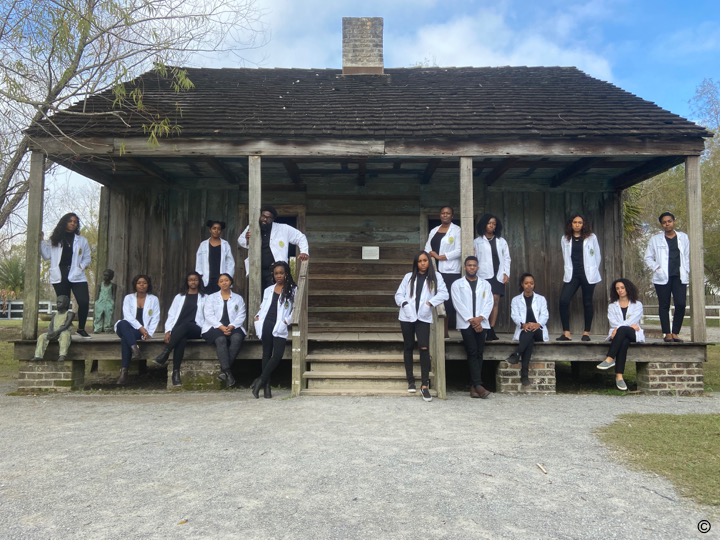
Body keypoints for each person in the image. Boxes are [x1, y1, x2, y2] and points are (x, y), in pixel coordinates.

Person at [394, 250, 449, 402]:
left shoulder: (436, 277)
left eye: (425, 260)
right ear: (416, 263)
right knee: (409, 346)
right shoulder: (408, 277)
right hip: (407, 316)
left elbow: (444, 293)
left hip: (423, 317)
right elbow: (398, 295)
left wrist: (430, 303)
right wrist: (404, 303)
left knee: (424, 348)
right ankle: (410, 380)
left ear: (429, 262)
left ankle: (424, 385)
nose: (423, 263)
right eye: (419, 261)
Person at [40, 212, 92, 337]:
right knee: (63, 304)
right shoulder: (55, 240)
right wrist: (41, 241)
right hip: (60, 274)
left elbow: (87, 257)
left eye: (75, 222)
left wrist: (81, 266)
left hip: (77, 274)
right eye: (70, 221)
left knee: (84, 301)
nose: (73, 223)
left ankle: (81, 328)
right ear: (64, 223)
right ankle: (61, 329)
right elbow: (46, 255)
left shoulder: (82, 240)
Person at [251, 261, 297, 399]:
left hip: (279, 324)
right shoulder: (268, 289)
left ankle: (260, 380)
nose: (279, 276)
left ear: (286, 273)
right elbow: (263, 306)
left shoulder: (293, 289)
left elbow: (295, 309)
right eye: (276, 273)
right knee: (266, 354)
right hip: (266, 323)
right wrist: (258, 317)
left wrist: (286, 321)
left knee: (277, 355)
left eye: (281, 273)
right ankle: (266, 388)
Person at [153, 272, 207, 387]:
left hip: (196, 328)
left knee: (186, 325)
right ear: (187, 282)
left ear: (199, 281)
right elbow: (171, 315)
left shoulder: (205, 297)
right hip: (179, 330)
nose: (193, 282)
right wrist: (168, 331)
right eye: (190, 280)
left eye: (196, 280)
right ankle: (176, 374)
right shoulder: (179, 297)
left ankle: (165, 353)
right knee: (181, 339)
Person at [451, 256, 494, 398]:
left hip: (482, 323)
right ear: (465, 267)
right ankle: (478, 385)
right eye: (469, 265)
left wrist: (480, 318)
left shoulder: (485, 284)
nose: (471, 267)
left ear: (478, 267)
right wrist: (472, 320)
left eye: (474, 265)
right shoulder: (457, 284)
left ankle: (474, 387)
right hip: (466, 323)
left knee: (480, 353)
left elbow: (489, 302)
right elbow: (458, 304)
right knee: (472, 351)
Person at [238, 205, 309, 290]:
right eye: (263, 216)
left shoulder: (283, 228)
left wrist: (304, 251)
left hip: (274, 271)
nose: (265, 219)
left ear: (272, 219)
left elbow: (300, 237)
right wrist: (247, 239)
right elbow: (240, 240)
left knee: (274, 295)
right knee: (256, 295)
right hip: (256, 269)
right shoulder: (252, 227)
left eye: (268, 218)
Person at [644, 212, 690, 343]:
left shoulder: (683, 238)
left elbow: (686, 256)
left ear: (674, 221)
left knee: (680, 304)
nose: (667, 224)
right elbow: (648, 258)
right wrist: (657, 268)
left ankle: (675, 332)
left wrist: (687, 270)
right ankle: (667, 333)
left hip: (679, 276)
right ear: (661, 224)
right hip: (662, 277)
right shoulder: (655, 239)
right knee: (664, 305)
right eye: (664, 222)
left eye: (669, 221)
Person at [557, 213, 602, 342]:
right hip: (572, 274)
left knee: (587, 302)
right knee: (563, 301)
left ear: (584, 224)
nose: (577, 224)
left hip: (588, 274)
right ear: (571, 224)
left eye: (580, 222)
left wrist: (593, 269)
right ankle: (566, 333)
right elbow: (565, 256)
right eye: (575, 222)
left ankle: (586, 333)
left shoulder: (591, 237)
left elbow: (597, 255)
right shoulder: (565, 238)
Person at [597, 278, 645, 391]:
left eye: (622, 288)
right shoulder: (612, 306)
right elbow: (612, 322)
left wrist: (618, 329)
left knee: (623, 330)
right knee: (623, 342)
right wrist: (620, 328)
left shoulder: (637, 304)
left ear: (628, 288)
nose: (620, 290)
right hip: (620, 335)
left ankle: (609, 358)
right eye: (617, 288)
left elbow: (633, 319)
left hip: (633, 333)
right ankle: (619, 377)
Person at [201, 273, 246, 388]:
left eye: (226, 280)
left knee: (237, 337)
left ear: (230, 282)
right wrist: (221, 327)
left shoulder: (238, 298)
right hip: (213, 327)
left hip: (233, 326)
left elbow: (241, 315)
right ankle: (228, 372)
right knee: (221, 339)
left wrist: (231, 326)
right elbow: (209, 315)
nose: (224, 283)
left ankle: (224, 371)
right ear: (218, 284)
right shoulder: (211, 298)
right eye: (221, 281)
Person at [115, 274, 161, 385]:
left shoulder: (153, 299)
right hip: (128, 327)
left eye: (144, 283)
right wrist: (141, 328)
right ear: (135, 285)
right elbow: (128, 316)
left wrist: (148, 333)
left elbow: (156, 317)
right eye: (139, 283)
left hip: (138, 332)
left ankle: (124, 371)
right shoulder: (128, 298)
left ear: (148, 285)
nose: (142, 285)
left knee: (126, 339)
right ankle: (135, 348)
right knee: (122, 323)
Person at [424, 205, 462, 337]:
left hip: (450, 271)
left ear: (452, 216)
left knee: (448, 301)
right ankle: (434, 329)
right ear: (440, 215)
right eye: (443, 213)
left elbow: (459, 250)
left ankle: (445, 331)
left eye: (448, 213)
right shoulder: (434, 230)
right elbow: (427, 247)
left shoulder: (457, 230)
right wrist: (432, 256)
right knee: (433, 297)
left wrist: (441, 257)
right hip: (434, 270)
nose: (445, 215)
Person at [507, 273, 549, 387]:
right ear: (522, 284)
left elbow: (545, 315)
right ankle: (524, 376)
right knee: (529, 341)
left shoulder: (541, 299)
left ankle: (517, 353)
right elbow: (514, 315)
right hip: (524, 330)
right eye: (526, 283)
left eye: (531, 283)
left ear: (534, 285)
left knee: (531, 332)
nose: (529, 285)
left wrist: (537, 324)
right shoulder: (516, 300)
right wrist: (523, 324)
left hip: (538, 330)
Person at [473, 213, 510, 341]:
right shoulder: (477, 242)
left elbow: (506, 258)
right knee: (484, 301)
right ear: (484, 225)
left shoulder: (501, 241)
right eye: (489, 223)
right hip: (483, 275)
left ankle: (491, 328)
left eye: (494, 224)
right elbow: (474, 259)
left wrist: (506, 273)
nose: (492, 226)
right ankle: (482, 326)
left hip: (497, 274)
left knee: (495, 300)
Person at [195, 220, 235, 294]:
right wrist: (200, 276)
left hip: (220, 279)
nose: (216, 231)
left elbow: (230, 263)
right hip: (206, 279)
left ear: (221, 231)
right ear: (210, 230)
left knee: (220, 300)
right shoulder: (203, 245)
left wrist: (227, 277)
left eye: (219, 229)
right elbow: (199, 262)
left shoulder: (225, 245)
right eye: (214, 228)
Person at [32, 295, 74, 362]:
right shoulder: (55, 314)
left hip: (63, 332)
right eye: (57, 302)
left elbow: (66, 325)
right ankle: (38, 355)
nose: (57, 304)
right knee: (42, 337)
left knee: (65, 335)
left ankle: (62, 355)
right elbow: (51, 325)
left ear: (66, 304)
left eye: (60, 302)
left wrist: (57, 332)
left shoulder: (70, 314)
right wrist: (50, 332)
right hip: (54, 333)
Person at [93, 269, 117, 333]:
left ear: (111, 277)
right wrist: (96, 302)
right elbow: (97, 294)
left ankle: (108, 328)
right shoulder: (100, 285)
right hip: (100, 302)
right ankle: (97, 328)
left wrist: (113, 302)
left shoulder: (113, 285)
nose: (105, 277)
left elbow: (114, 295)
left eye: (107, 275)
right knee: (98, 316)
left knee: (109, 316)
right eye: (104, 275)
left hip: (109, 302)